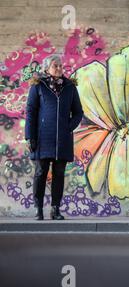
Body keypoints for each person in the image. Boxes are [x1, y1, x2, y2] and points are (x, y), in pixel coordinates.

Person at [25, 54, 83, 220]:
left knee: (59, 173)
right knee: (41, 172)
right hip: (43, 137)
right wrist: (30, 136)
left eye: (60, 65)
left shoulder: (70, 87)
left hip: (62, 139)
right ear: (46, 68)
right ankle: (38, 209)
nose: (59, 68)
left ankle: (55, 209)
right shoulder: (38, 86)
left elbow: (78, 112)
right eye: (55, 65)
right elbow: (30, 112)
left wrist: (68, 128)